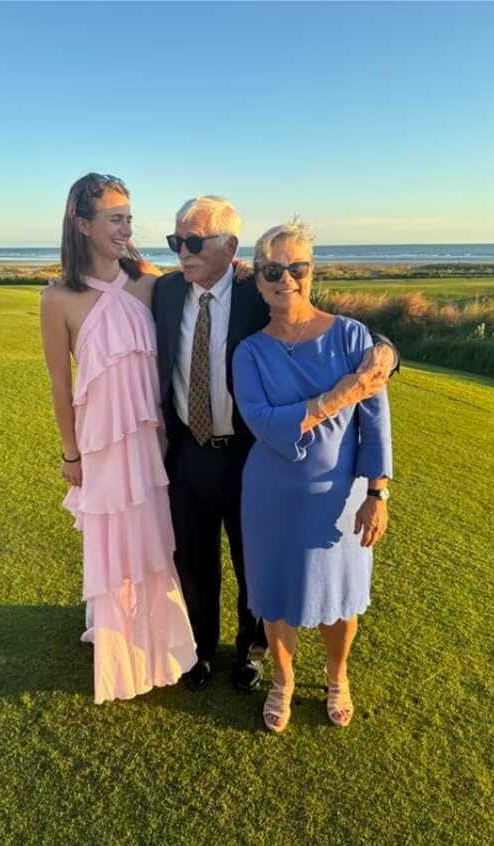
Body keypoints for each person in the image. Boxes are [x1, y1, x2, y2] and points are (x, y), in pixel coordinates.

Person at [152, 197, 397, 693]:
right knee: (193, 560)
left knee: (253, 563)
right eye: (176, 241)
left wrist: (387, 353)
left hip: (248, 455)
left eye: (194, 241)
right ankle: (199, 650)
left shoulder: (256, 290)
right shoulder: (165, 290)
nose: (183, 252)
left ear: (229, 248)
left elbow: (330, 327)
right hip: (189, 451)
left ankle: (252, 652)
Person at [40, 172, 196, 703]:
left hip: (151, 440)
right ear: (82, 224)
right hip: (101, 444)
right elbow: (60, 384)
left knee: (152, 541)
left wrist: (238, 268)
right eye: (114, 219)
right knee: (113, 544)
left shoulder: (147, 283)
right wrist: (71, 454)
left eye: (128, 218)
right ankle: (117, 644)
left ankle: (156, 642)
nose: (126, 228)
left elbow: (201, 283)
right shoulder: (58, 298)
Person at [232, 222, 393, 732]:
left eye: (296, 267)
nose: (286, 279)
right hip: (270, 496)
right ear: (258, 281)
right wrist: (339, 395)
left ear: (311, 271)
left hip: (340, 498)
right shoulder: (249, 351)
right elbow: (263, 422)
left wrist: (377, 492)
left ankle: (337, 675)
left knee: (341, 598)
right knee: (275, 595)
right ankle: (282, 679)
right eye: (272, 271)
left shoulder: (352, 336)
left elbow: (375, 422)